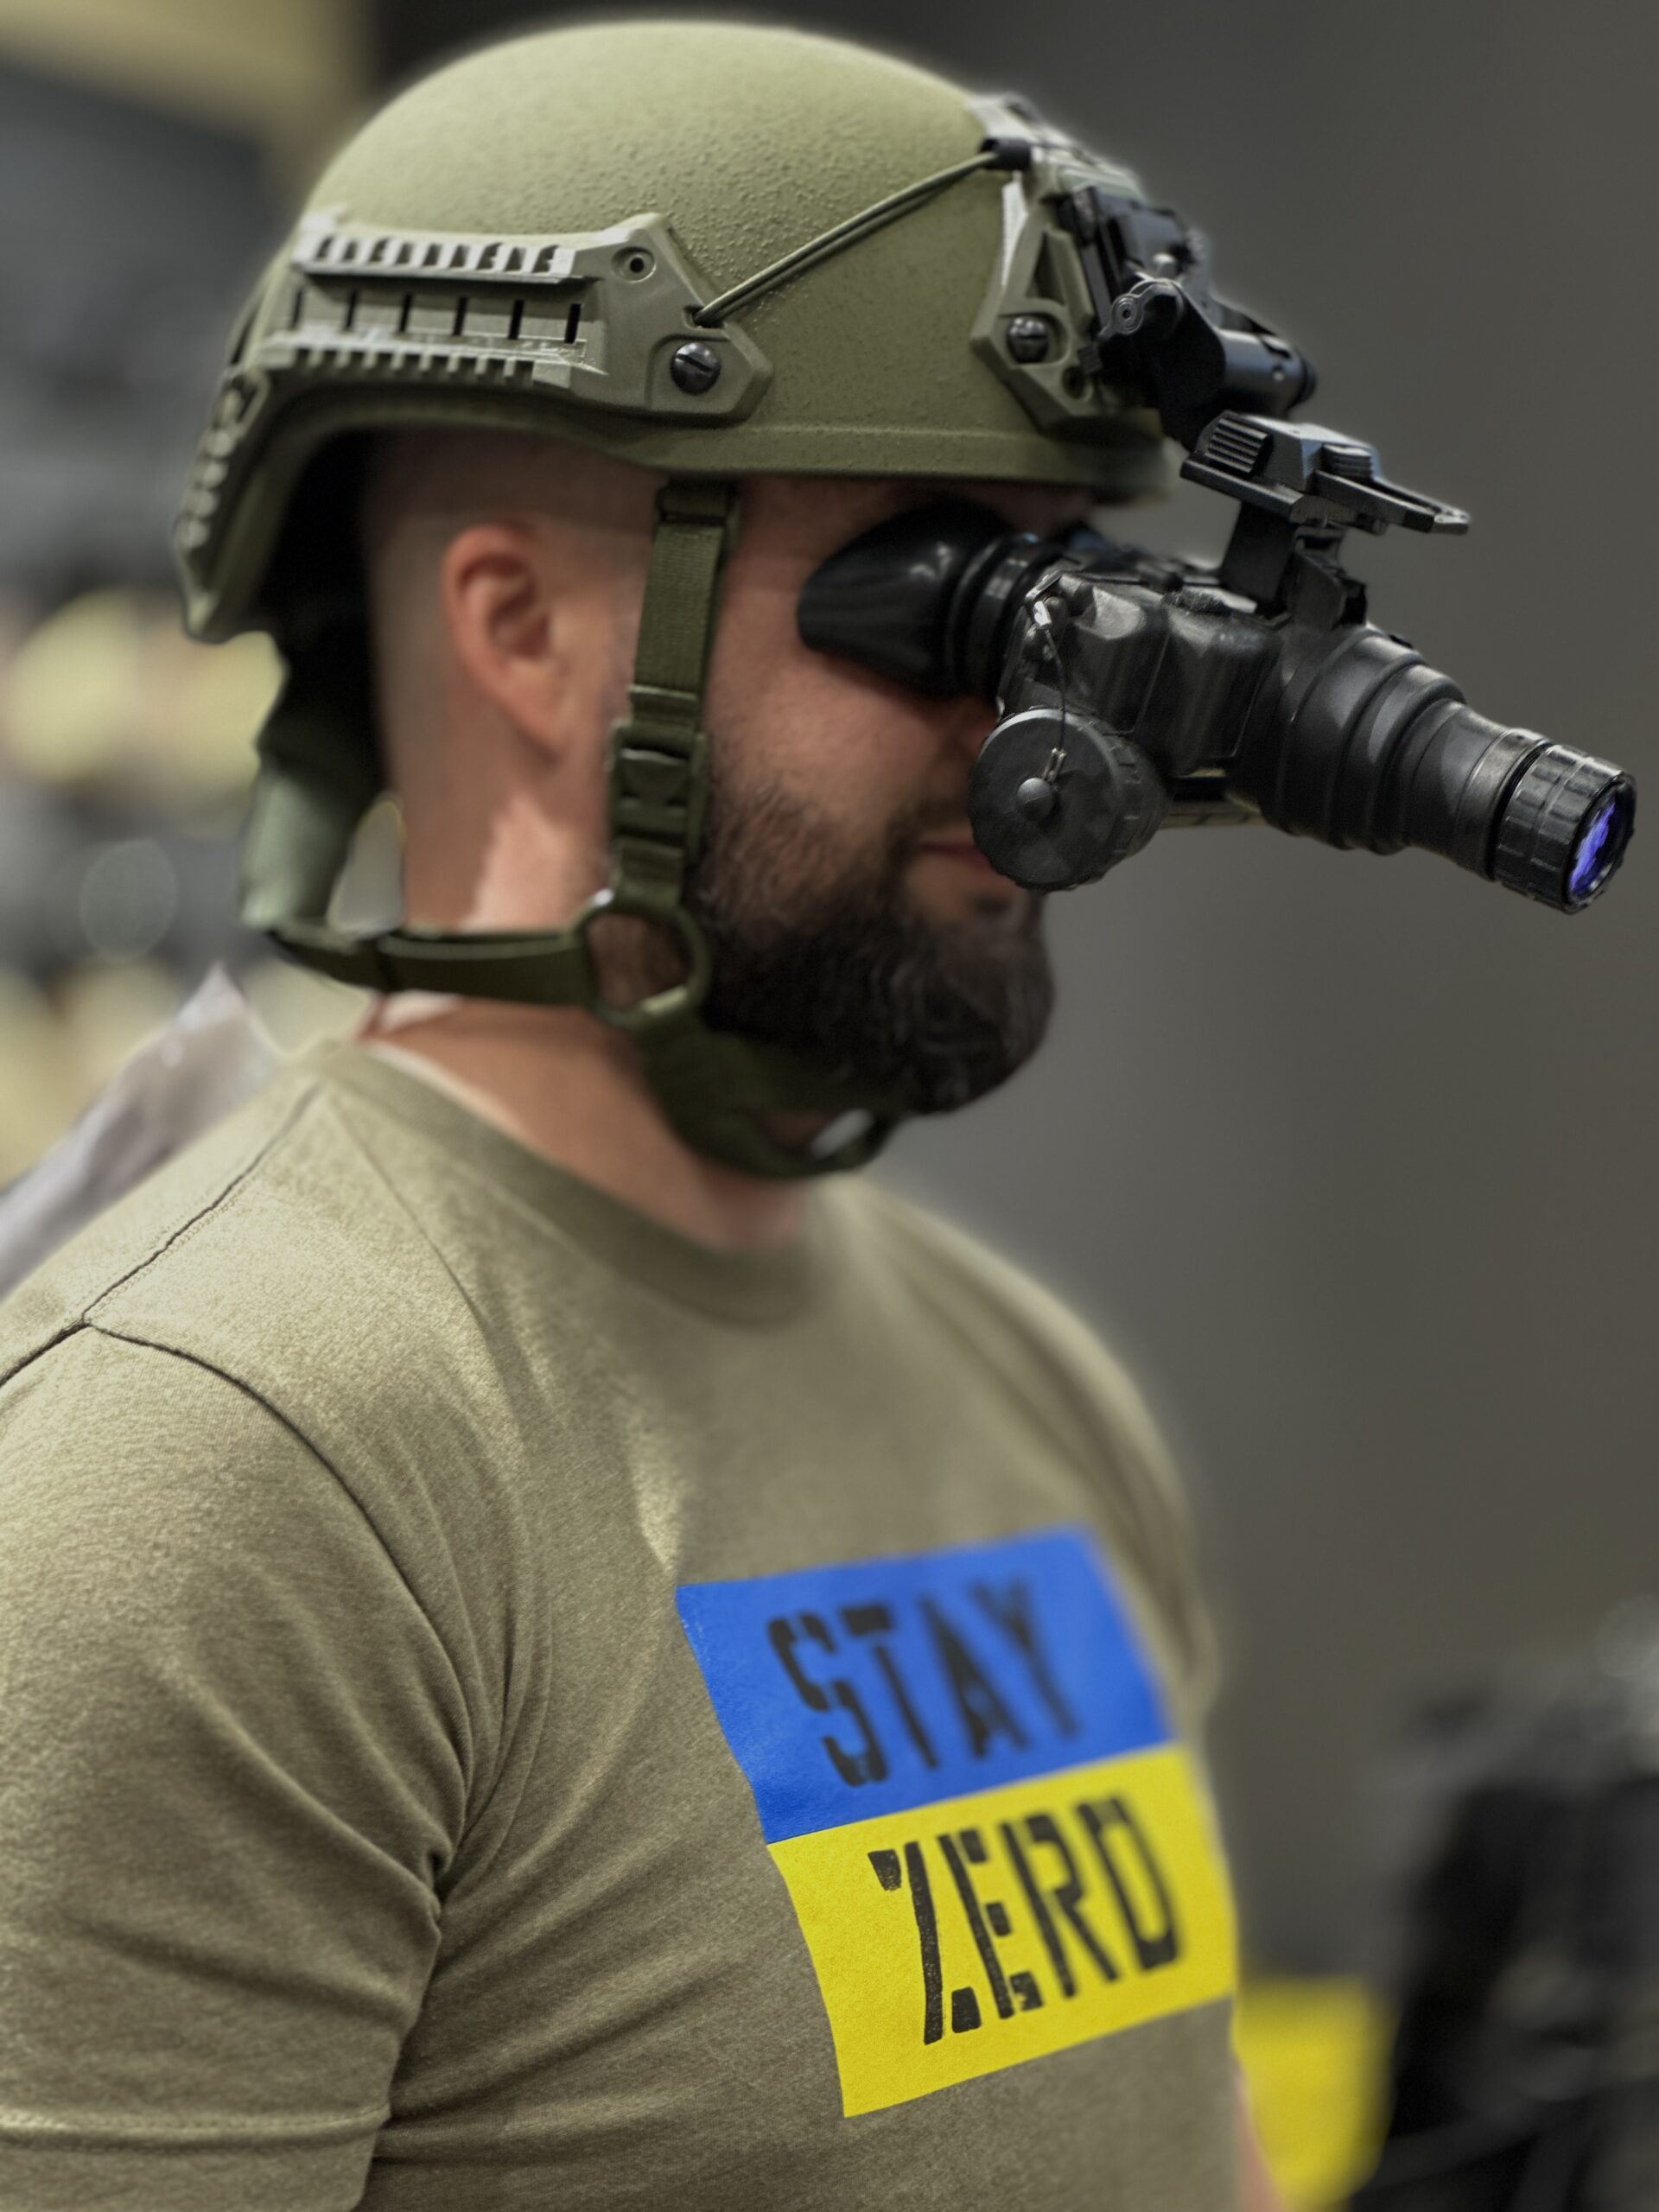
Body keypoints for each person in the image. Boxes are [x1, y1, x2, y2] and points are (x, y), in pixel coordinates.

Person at [0, 21, 1284, 2209]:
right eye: (942, 603)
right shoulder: (218, 1466)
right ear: (519, 627)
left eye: (1073, 596)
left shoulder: (1027, 1377)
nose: (1046, 744)